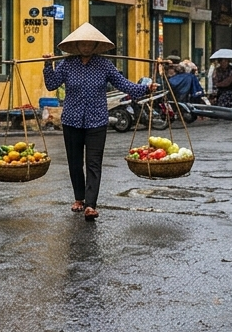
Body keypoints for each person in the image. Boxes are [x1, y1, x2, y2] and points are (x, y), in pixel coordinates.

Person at [43, 23, 157, 221]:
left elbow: (123, 85)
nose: (86, 47)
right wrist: (47, 64)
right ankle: (78, 198)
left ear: (95, 46)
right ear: (77, 45)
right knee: (75, 162)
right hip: (72, 119)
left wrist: (146, 89)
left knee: (94, 163)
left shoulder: (104, 65)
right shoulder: (68, 64)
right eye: (83, 44)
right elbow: (52, 84)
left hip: (97, 120)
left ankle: (90, 204)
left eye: (90, 44)